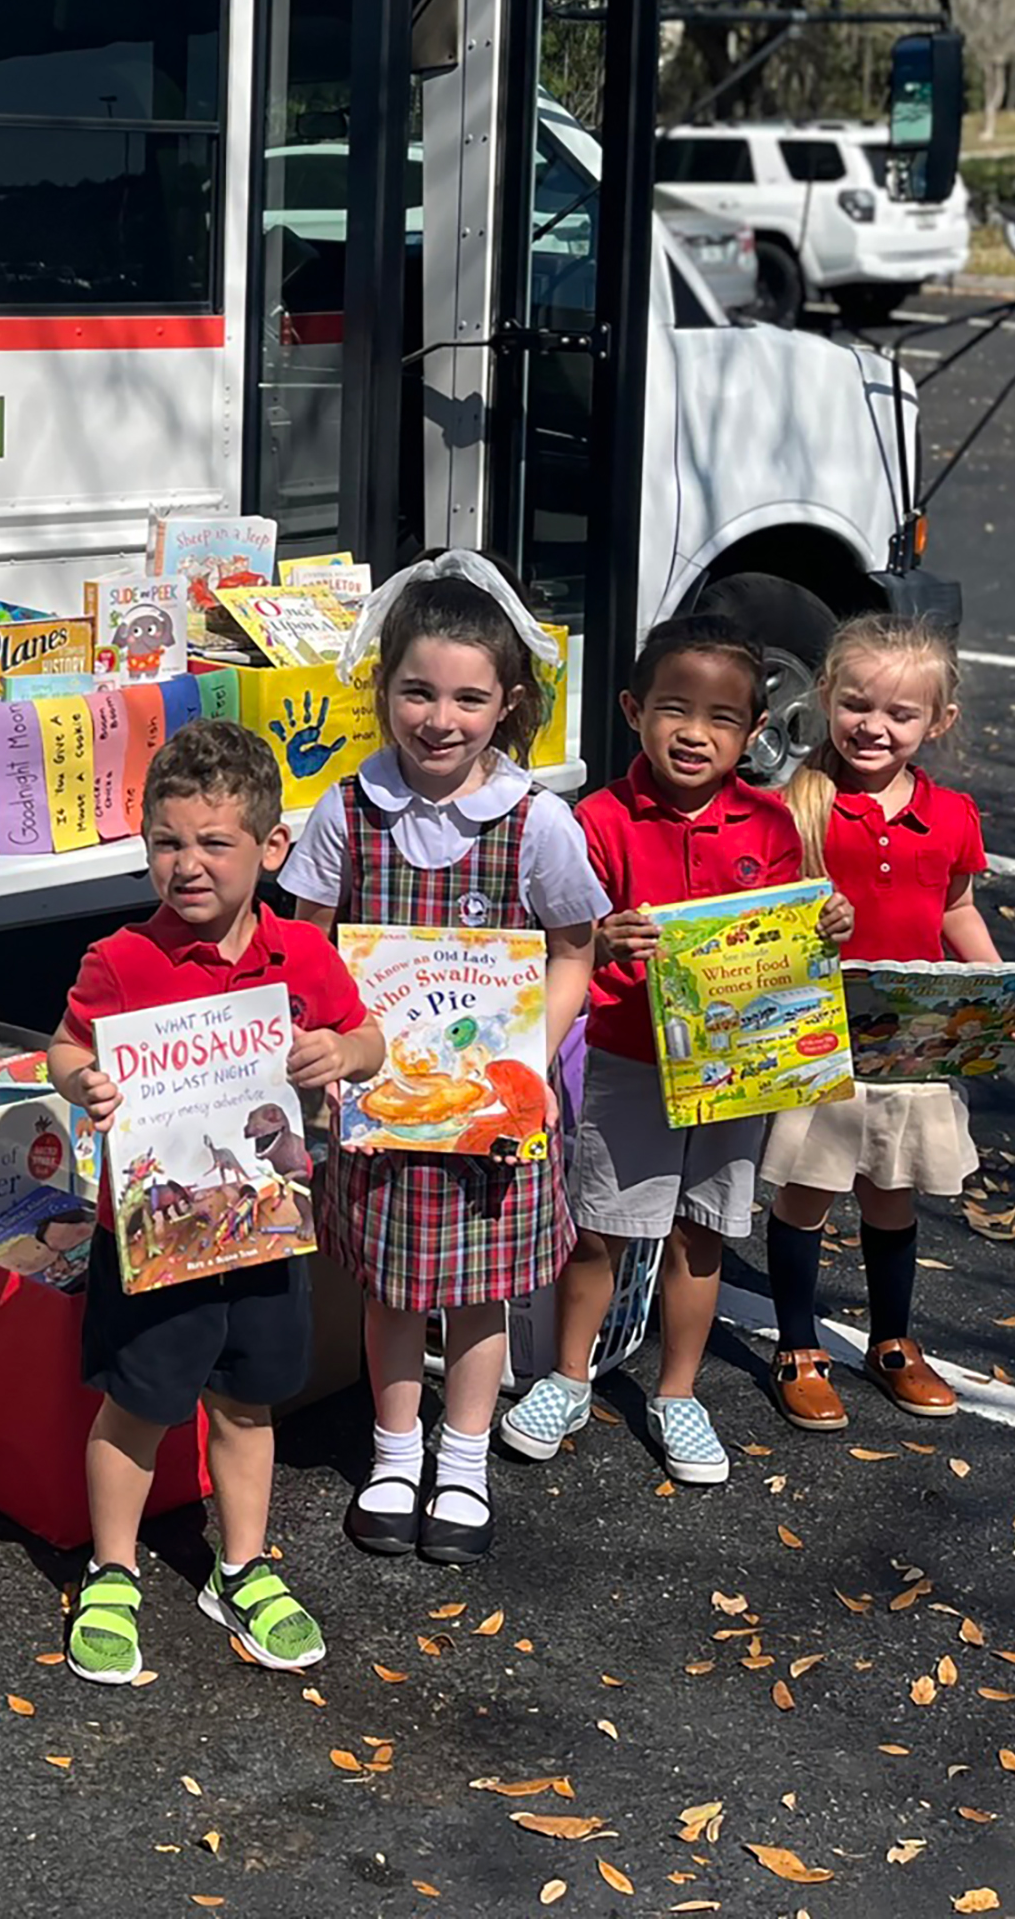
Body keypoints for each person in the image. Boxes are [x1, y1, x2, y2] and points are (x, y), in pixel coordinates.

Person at [279, 554, 606, 1564]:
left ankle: (460, 1461)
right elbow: (306, 940)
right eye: (418, 691)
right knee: (388, 1288)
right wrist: (320, 1042)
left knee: (476, 1290)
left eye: (469, 697)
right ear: (383, 689)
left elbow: (574, 949)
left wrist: (529, 1054)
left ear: (506, 705)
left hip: (492, 1115)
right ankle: (392, 1453)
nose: (439, 718)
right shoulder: (347, 811)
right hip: (380, 1107)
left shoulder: (536, 821)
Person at [46, 719, 384, 1682]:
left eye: (213, 843)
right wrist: (81, 1084)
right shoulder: (120, 961)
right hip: (150, 1238)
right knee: (137, 1405)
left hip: (265, 1232)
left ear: (271, 849)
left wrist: (338, 1054)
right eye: (166, 842)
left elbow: (367, 1039)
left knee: (246, 1404)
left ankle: (239, 1566)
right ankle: (111, 1569)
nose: (186, 865)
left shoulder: (299, 957)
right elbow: (69, 1046)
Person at [500, 613, 854, 1485]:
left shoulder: (769, 827)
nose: (693, 733)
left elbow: (785, 949)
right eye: (672, 709)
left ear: (755, 733)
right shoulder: (599, 820)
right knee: (601, 1230)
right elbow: (563, 943)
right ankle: (568, 1376)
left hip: (736, 1073)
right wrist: (605, 940)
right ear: (631, 709)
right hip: (628, 1057)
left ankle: (677, 1393)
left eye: (721, 719)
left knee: (701, 1233)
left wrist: (827, 926)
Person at [759, 614, 1015, 1429]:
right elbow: (757, 917)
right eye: (856, 705)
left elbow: (956, 907)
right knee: (806, 1195)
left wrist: (1004, 986)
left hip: (918, 1043)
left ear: (937, 723)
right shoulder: (793, 804)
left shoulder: (951, 814)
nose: (873, 727)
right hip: (820, 1041)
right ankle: (796, 1345)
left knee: (892, 1197)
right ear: (824, 698)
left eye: (899, 715)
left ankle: (891, 1342)